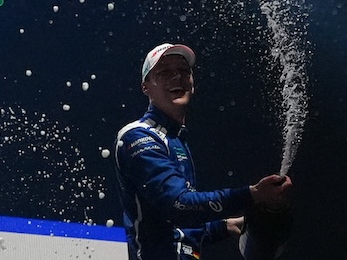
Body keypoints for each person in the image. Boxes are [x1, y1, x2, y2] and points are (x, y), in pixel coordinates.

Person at [115, 43, 292, 260]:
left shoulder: (178, 141)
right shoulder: (138, 136)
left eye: (184, 71)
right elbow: (179, 206)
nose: (177, 77)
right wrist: (252, 195)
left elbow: (176, 228)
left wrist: (225, 226)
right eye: (165, 72)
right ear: (146, 87)